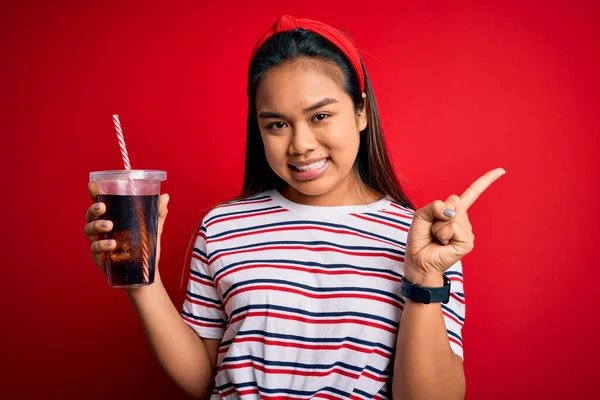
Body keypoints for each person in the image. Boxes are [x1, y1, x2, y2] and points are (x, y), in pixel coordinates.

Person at [84, 15, 505, 400]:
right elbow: (203, 379)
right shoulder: (222, 227)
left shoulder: (421, 240)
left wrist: (424, 276)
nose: (300, 144)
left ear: (360, 111)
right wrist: (143, 280)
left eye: (320, 116)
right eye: (277, 124)